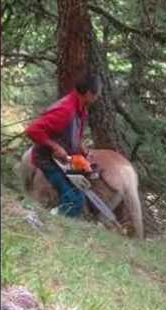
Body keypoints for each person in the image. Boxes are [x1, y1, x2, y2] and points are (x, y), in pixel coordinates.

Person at [25, 70, 101, 218]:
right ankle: (48, 222)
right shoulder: (65, 110)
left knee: (83, 187)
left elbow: (72, 135)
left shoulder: (81, 109)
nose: (97, 98)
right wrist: (55, 146)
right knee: (75, 201)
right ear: (88, 93)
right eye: (96, 94)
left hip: (65, 160)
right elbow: (32, 130)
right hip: (48, 160)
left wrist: (81, 146)